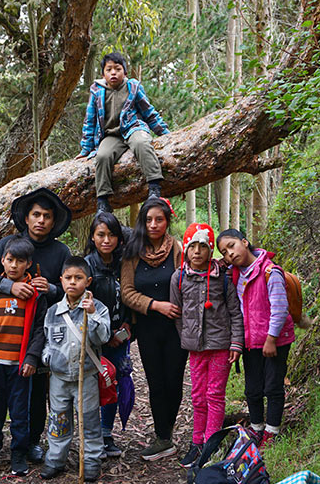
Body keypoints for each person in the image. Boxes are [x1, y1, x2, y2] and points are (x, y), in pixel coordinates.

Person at [0, 187, 72, 464]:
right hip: (3, 336)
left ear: (54, 221)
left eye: (47, 216)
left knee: (36, 389)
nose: (41, 220)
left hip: (45, 332)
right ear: (26, 218)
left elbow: (73, 286)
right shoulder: (8, 245)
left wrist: (52, 289)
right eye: (36, 215)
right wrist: (11, 286)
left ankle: (29, 443)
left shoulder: (60, 251)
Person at [169, 223, 244, 467]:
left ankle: (211, 445)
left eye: (203, 247)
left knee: (215, 395)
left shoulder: (222, 277)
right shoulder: (178, 278)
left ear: (211, 250)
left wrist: (235, 343)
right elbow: (178, 314)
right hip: (195, 349)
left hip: (221, 346)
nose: (197, 252)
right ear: (186, 250)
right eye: (193, 247)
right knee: (198, 396)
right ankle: (197, 442)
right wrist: (187, 337)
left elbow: (235, 312)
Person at [0, 235, 47, 477]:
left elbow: (39, 330)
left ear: (29, 264)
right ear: (2, 261)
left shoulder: (35, 295)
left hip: (19, 365)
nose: (14, 265)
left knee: (19, 412)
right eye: (10, 259)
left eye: (20, 261)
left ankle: (18, 453)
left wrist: (31, 358)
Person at [216, 229, 295, 449]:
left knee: (273, 386)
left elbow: (279, 308)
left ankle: (272, 430)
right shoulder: (234, 274)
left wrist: (271, 339)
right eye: (224, 252)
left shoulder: (270, 271)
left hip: (275, 342)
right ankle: (257, 427)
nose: (229, 254)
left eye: (232, 246)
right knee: (252, 389)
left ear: (245, 241)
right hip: (251, 342)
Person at [121, 197, 186, 461]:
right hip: (148, 327)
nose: (153, 224)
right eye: (148, 220)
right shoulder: (132, 253)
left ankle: (167, 430)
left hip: (176, 329)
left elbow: (188, 281)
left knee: (174, 381)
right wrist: (156, 305)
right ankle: (163, 437)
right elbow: (127, 292)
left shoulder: (177, 249)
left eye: (159, 219)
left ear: (167, 221)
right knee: (156, 382)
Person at [40, 256, 110, 482]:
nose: (73, 282)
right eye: (68, 278)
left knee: (89, 420)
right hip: (59, 378)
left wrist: (92, 315)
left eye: (78, 278)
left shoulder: (97, 307)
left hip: (86, 376)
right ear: (61, 280)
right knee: (58, 419)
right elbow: (48, 340)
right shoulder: (53, 312)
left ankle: (91, 459)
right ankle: (55, 458)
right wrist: (47, 358)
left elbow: (103, 337)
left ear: (87, 281)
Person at [76, 51, 171, 213]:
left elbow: (149, 112)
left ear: (125, 72)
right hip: (111, 135)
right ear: (103, 74)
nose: (113, 72)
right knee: (102, 156)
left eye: (118, 69)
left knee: (142, 143)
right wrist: (86, 149)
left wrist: (165, 133)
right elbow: (89, 121)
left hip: (133, 128)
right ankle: (103, 200)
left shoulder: (132, 87)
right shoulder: (97, 92)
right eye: (109, 69)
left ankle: (154, 186)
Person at [84, 212, 132, 458]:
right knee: (94, 385)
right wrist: (104, 334)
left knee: (114, 384)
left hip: (120, 337)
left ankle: (106, 433)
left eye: (112, 235)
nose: (106, 240)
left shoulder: (123, 263)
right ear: (92, 237)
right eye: (101, 234)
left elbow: (129, 296)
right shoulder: (87, 265)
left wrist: (126, 324)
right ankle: (91, 436)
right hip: (94, 340)